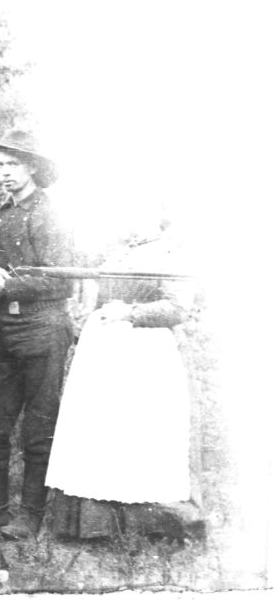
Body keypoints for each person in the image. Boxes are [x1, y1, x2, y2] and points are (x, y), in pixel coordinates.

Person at [45, 222, 200, 539]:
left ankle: (148, 526)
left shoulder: (169, 251)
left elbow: (178, 308)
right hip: (104, 349)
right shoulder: (115, 247)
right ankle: (94, 526)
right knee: (101, 431)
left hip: (145, 351)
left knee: (137, 432)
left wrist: (130, 312)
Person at [0, 128, 75, 540]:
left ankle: (30, 516)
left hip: (42, 329)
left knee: (38, 426)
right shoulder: (0, 215)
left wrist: (6, 285)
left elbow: (62, 282)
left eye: (12, 164)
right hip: (3, 330)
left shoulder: (49, 215)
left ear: (32, 167)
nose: (4, 172)